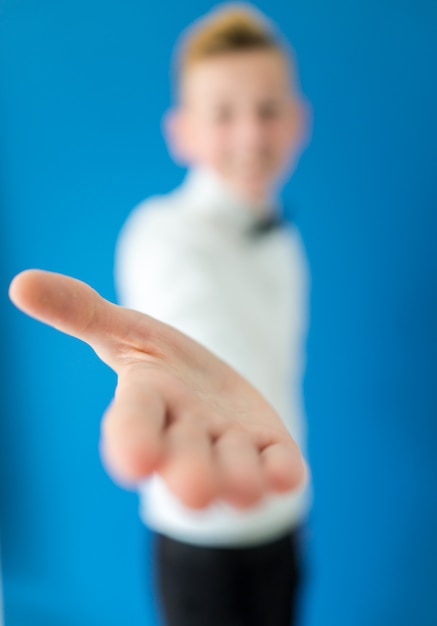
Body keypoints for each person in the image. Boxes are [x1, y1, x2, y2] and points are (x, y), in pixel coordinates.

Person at [9, 5, 311, 625]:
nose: (251, 133)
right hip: (201, 537)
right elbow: (184, 314)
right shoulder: (161, 233)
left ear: (297, 123)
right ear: (183, 131)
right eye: (224, 112)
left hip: (284, 513)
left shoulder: (283, 240)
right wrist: (178, 381)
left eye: (268, 109)